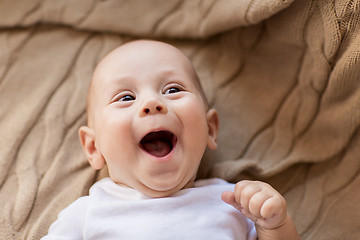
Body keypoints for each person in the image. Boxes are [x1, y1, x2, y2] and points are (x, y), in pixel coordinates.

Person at [42, 40, 300, 240]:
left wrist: (275, 225)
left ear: (210, 128)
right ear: (93, 146)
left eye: (172, 90)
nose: (152, 103)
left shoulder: (234, 203)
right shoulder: (87, 214)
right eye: (126, 97)